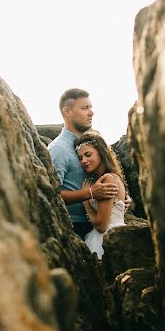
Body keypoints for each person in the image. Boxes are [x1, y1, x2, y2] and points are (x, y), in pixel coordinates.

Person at [47, 89, 120, 238]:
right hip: (72, 228)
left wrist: (118, 200)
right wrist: (89, 193)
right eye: (85, 108)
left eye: (90, 107)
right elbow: (50, 193)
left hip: (94, 225)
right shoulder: (58, 149)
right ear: (67, 112)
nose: (91, 112)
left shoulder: (89, 143)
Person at [75, 131, 127, 259]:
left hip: (106, 238)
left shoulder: (108, 179)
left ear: (101, 153)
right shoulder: (110, 177)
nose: (84, 161)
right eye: (80, 158)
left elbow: (101, 226)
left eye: (88, 155)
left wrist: (86, 203)